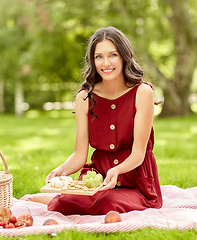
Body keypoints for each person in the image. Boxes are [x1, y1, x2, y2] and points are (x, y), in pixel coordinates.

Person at [28, 26, 163, 215]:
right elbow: (79, 155)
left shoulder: (142, 92)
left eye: (112, 55)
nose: (105, 63)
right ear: (92, 60)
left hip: (135, 179)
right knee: (64, 204)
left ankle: (66, 200)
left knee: (108, 203)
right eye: (98, 56)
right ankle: (55, 199)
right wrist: (62, 170)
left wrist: (117, 171)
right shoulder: (85, 98)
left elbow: (139, 153)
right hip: (98, 176)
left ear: (124, 56)